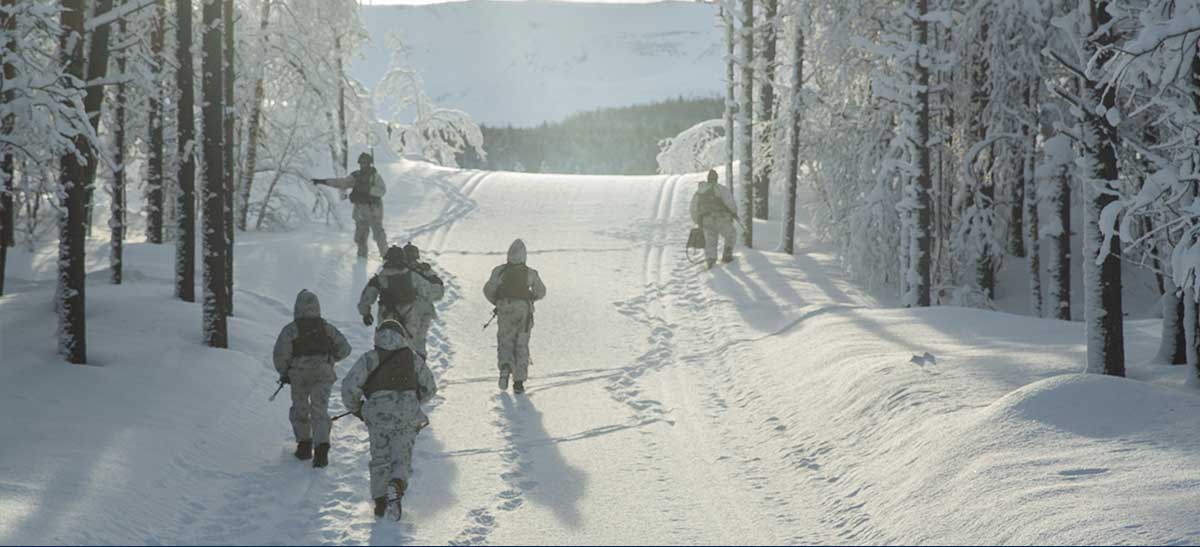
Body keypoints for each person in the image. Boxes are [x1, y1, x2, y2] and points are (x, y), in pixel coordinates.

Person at [340, 319, 438, 519]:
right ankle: (397, 485)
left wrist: (358, 409)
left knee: (380, 458)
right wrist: (413, 400)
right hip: (406, 413)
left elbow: (349, 387)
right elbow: (430, 386)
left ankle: (380, 501)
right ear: (403, 336)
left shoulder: (370, 358)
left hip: (378, 413)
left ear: (377, 334)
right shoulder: (412, 358)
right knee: (401, 456)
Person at [272, 289, 352, 468]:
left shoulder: (291, 330)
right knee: (319, 409)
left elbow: (280, 354)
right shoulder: (326, 327)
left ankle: (304, 446)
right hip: (323, 373)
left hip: (299, 374)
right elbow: (345, 349)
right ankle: (321, 450)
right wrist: (330, 360)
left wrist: (285, 372)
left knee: (300, 408)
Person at [482, 239, 547, 394]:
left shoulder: (499, 271)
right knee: (521, 343)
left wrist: (498, 302)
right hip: (523, 310)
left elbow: (488, 290)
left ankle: (505, 367)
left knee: (505, 341)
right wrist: (530, 298)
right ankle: (518, 382)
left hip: (504, 307)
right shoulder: (531, 273)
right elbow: (541, 291)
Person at [358, 244, 444, 357]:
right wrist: (434, 279)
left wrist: (366, 313)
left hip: (386, 315)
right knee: (410, 348)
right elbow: (434, 292)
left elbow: (366, 298)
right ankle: (412, 368)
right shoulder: (413, 276)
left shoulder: (380, 278)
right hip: (410, 316)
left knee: (385, 347)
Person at [312, 152, 388, 259]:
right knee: (360, 238)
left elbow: (382, 191)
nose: (363, 164)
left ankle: (387, 258)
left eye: (365, 162)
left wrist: (368, 189)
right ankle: (361, 259)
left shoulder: (375, 177)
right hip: (360, 211)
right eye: (361, 162)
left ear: (370, 163)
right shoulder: (356, 176)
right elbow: (341, 183)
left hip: (374, 211)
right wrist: (324, 181)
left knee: (379, 236)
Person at [688, 169, 738, 269]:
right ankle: (727, 256)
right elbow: (731, 204)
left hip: (706, 220)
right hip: (721, 218)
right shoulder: (721, 189)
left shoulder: (699, 192)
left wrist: (698, 221)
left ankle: (711, 261)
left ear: (708, 178)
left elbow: (693, 208)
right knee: (731, 234)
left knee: (710, 241)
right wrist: (733, 214)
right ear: (716, 178)